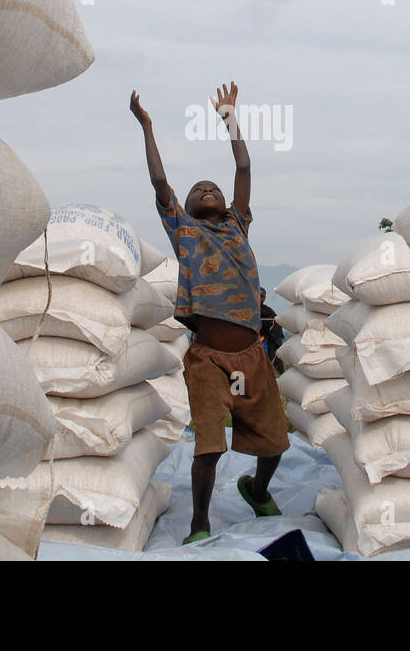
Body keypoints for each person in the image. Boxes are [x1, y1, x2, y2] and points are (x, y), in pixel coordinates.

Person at [130, 81, 289, 545]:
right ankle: (200, 523)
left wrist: (229, 117)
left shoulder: (239, 223)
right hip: (209, 361)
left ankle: (256, 490)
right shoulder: (183, 230)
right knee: (208, 445)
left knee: (275, 441)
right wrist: (147, 127)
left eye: (211, 188)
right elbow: (161, 182)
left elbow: (243, 165)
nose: (205, 190)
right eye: (199, 189)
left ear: (227, 204)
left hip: (253, 357)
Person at [258, 287, 285, 374]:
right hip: (252, 340)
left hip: (270, 341)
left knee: (273, 361)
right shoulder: (248, 310)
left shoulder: (268, 312)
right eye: (258, 295)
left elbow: (275, 330)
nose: (260, 298)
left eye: (262, 296)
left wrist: (263, 338)